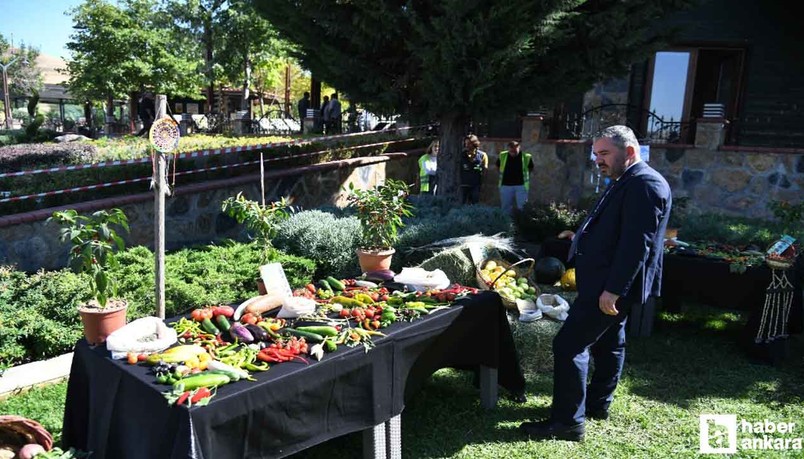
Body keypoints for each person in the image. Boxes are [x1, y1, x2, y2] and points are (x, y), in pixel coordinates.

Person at [520, 125, 672, 442]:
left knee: (569, 345)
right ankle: (596, 404)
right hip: (603, 283)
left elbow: (636, 245)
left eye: (604, 154)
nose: (597, 160)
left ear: (629, 152)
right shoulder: (626, 180)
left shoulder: (645, 185)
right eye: (596, 153)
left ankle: (567, 423)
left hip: (610, 287)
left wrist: (613, 290)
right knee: (608, 341)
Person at [495, 140, 534, 215]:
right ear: (508, 149)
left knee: (522, 207)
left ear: (519, 148)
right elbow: (497, 166)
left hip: (521, 185)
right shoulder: (502, 155)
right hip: (506, 185)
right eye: (511, 151)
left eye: (515, 151)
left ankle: (521, 224)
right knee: (505, 207)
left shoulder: (526, 156)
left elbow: (530, 168)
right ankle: (506, 223)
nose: (513, 153)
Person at [459, 134, 488, 204]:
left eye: (469, 144)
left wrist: (484, 184)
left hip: (476, 185)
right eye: (465, 143)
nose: (466, 146)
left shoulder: (482, 155)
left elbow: (485, 170)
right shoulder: (461, 155)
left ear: (475, 144)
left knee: (475, 203)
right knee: (461, 204)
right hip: (463, 184)